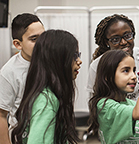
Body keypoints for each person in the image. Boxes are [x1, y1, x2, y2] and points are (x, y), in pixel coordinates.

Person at [11, 29, 82, 143]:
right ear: (58, 60)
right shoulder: (46, 101)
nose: (79, 61)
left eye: (78, 55)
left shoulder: (44, 95)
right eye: (74, 56)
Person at [88, 49, 139, 144]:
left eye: (134, 70)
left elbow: (136, 141)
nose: (134, 76)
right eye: (126, 70)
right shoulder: (104, 106)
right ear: (108, 76)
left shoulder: (132, 104)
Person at [87, 14, 139, 102]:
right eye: (115, 39)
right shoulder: (97, 66)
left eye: (127, 36)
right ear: (106, 42)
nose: (123, 42)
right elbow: (94, 100)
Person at [0, 13, 45, 143]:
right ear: (18, 44)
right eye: (34, 39)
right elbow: (1, 115)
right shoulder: (9, 72)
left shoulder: (50, 61)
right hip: (23, 136)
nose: (41, 43)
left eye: (43, 36)